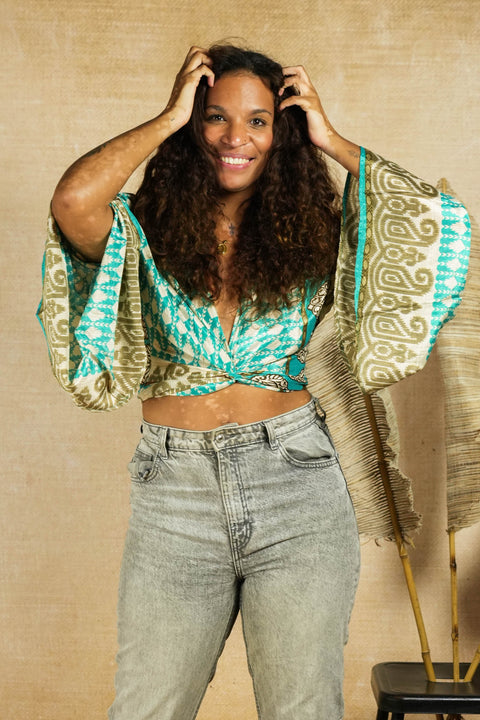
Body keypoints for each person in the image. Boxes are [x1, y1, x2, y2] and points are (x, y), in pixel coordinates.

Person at [38, 44, 470, 720]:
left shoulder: (319, 233)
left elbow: (434, 223)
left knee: (303, 709)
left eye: (259, 121)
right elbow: (72, 201)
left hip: (297, 483)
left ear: (281, 134)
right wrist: (166, 118)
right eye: (215, 116)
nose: (235, 137)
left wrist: (330, 138)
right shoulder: (141, 230)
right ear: (193, 124)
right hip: (174, 492)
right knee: (147, 708)